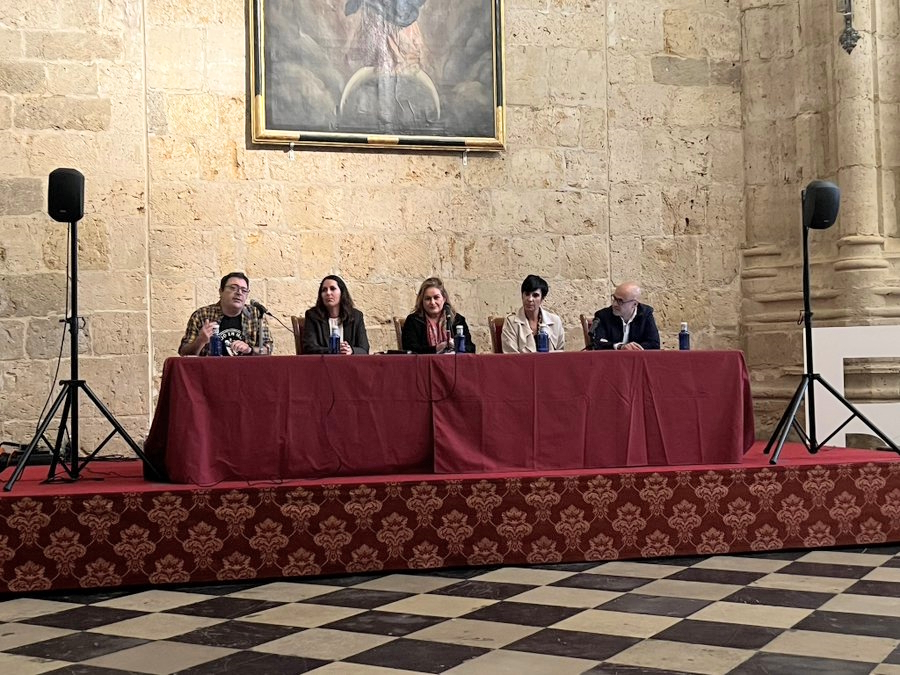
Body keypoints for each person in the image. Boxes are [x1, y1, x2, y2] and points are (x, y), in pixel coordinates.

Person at [179, 272, 273, 356]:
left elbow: (268, 349)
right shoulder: (202, 315)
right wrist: (200, 340)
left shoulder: (256, 315)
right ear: (221, 291)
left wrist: (249, 350)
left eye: (244, 290)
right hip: (211, 371)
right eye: (233, 288)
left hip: (246, 371)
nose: (239, 293)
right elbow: (184, 353)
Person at [402, 277, 475, 353]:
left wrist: (457, 345)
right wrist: (436, 349)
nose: (432, 302)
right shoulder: (413, 320)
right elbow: (410, 349)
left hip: (454, 363)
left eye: (436, 297)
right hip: (424, 364)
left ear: (444, 299)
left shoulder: (457, 320)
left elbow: (471, 348)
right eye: (428, 299)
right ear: (421, 301)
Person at [302, 275, 370, 355]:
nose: (328, 293)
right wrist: (335, 350)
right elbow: (309, 348)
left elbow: (364, 349)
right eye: (324, 290)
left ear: (342, 292)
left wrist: (351, 351)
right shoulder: (312, 316)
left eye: (332, 289)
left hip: (349, 365)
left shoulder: (356, 316)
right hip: (323, 365)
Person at [501, 275, 565, 353]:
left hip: (550, 364)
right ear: (522, 296)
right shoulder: (511, 322)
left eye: (535, 295)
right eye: (527, 294)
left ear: (542, 298)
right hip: (521, 364)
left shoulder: (555, 321)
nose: (530, 299)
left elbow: (560, 353)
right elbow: (511, 355)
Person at [590, 281, 660, 351]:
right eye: (614, 298)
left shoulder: (646, 314)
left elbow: (654, 344)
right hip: (611, 360)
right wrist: (620, 347)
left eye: (620, 301)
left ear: (634, 304)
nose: (614, 304)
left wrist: (633, 348)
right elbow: (596, 343)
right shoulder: (603, 315)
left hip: (637, 359)